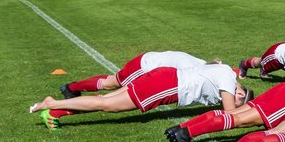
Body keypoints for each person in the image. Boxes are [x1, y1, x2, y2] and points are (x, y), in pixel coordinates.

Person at [29, 63, 250, 129]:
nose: (235, 99)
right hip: (166, 85)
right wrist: (248, 115)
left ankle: (55, 110)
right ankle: (54, 103)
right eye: (241, 98)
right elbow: (230, 114)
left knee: (105, 102)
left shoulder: (227, 75)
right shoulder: (228, 83)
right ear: (239, 91)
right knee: (106, 105)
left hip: (164, 77)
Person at [60, 50, 208, 98]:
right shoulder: (193, 69)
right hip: (143, 67)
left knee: (115, 83)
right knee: (113, 83)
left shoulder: (203, 65)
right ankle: (71, 88)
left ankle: (73, 88)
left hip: (149, 62)